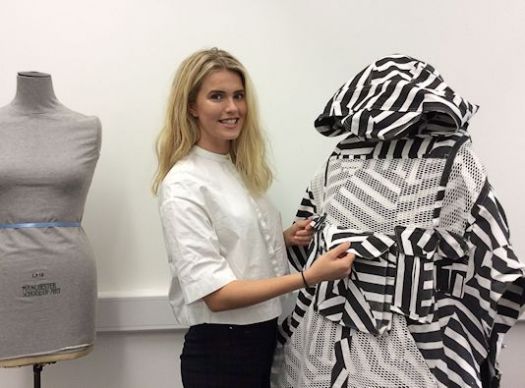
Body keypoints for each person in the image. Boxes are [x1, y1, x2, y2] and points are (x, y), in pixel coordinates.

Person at [152, 47, 355, 388]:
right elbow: (217, 296)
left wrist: (283, 237)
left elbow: (234, 242)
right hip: (220, 354)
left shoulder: (239, 170)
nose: (232, 108)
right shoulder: (183, 184)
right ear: (191, 106)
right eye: (217, 96)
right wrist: (308, 277)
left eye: (238, 96)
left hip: (262, 340)